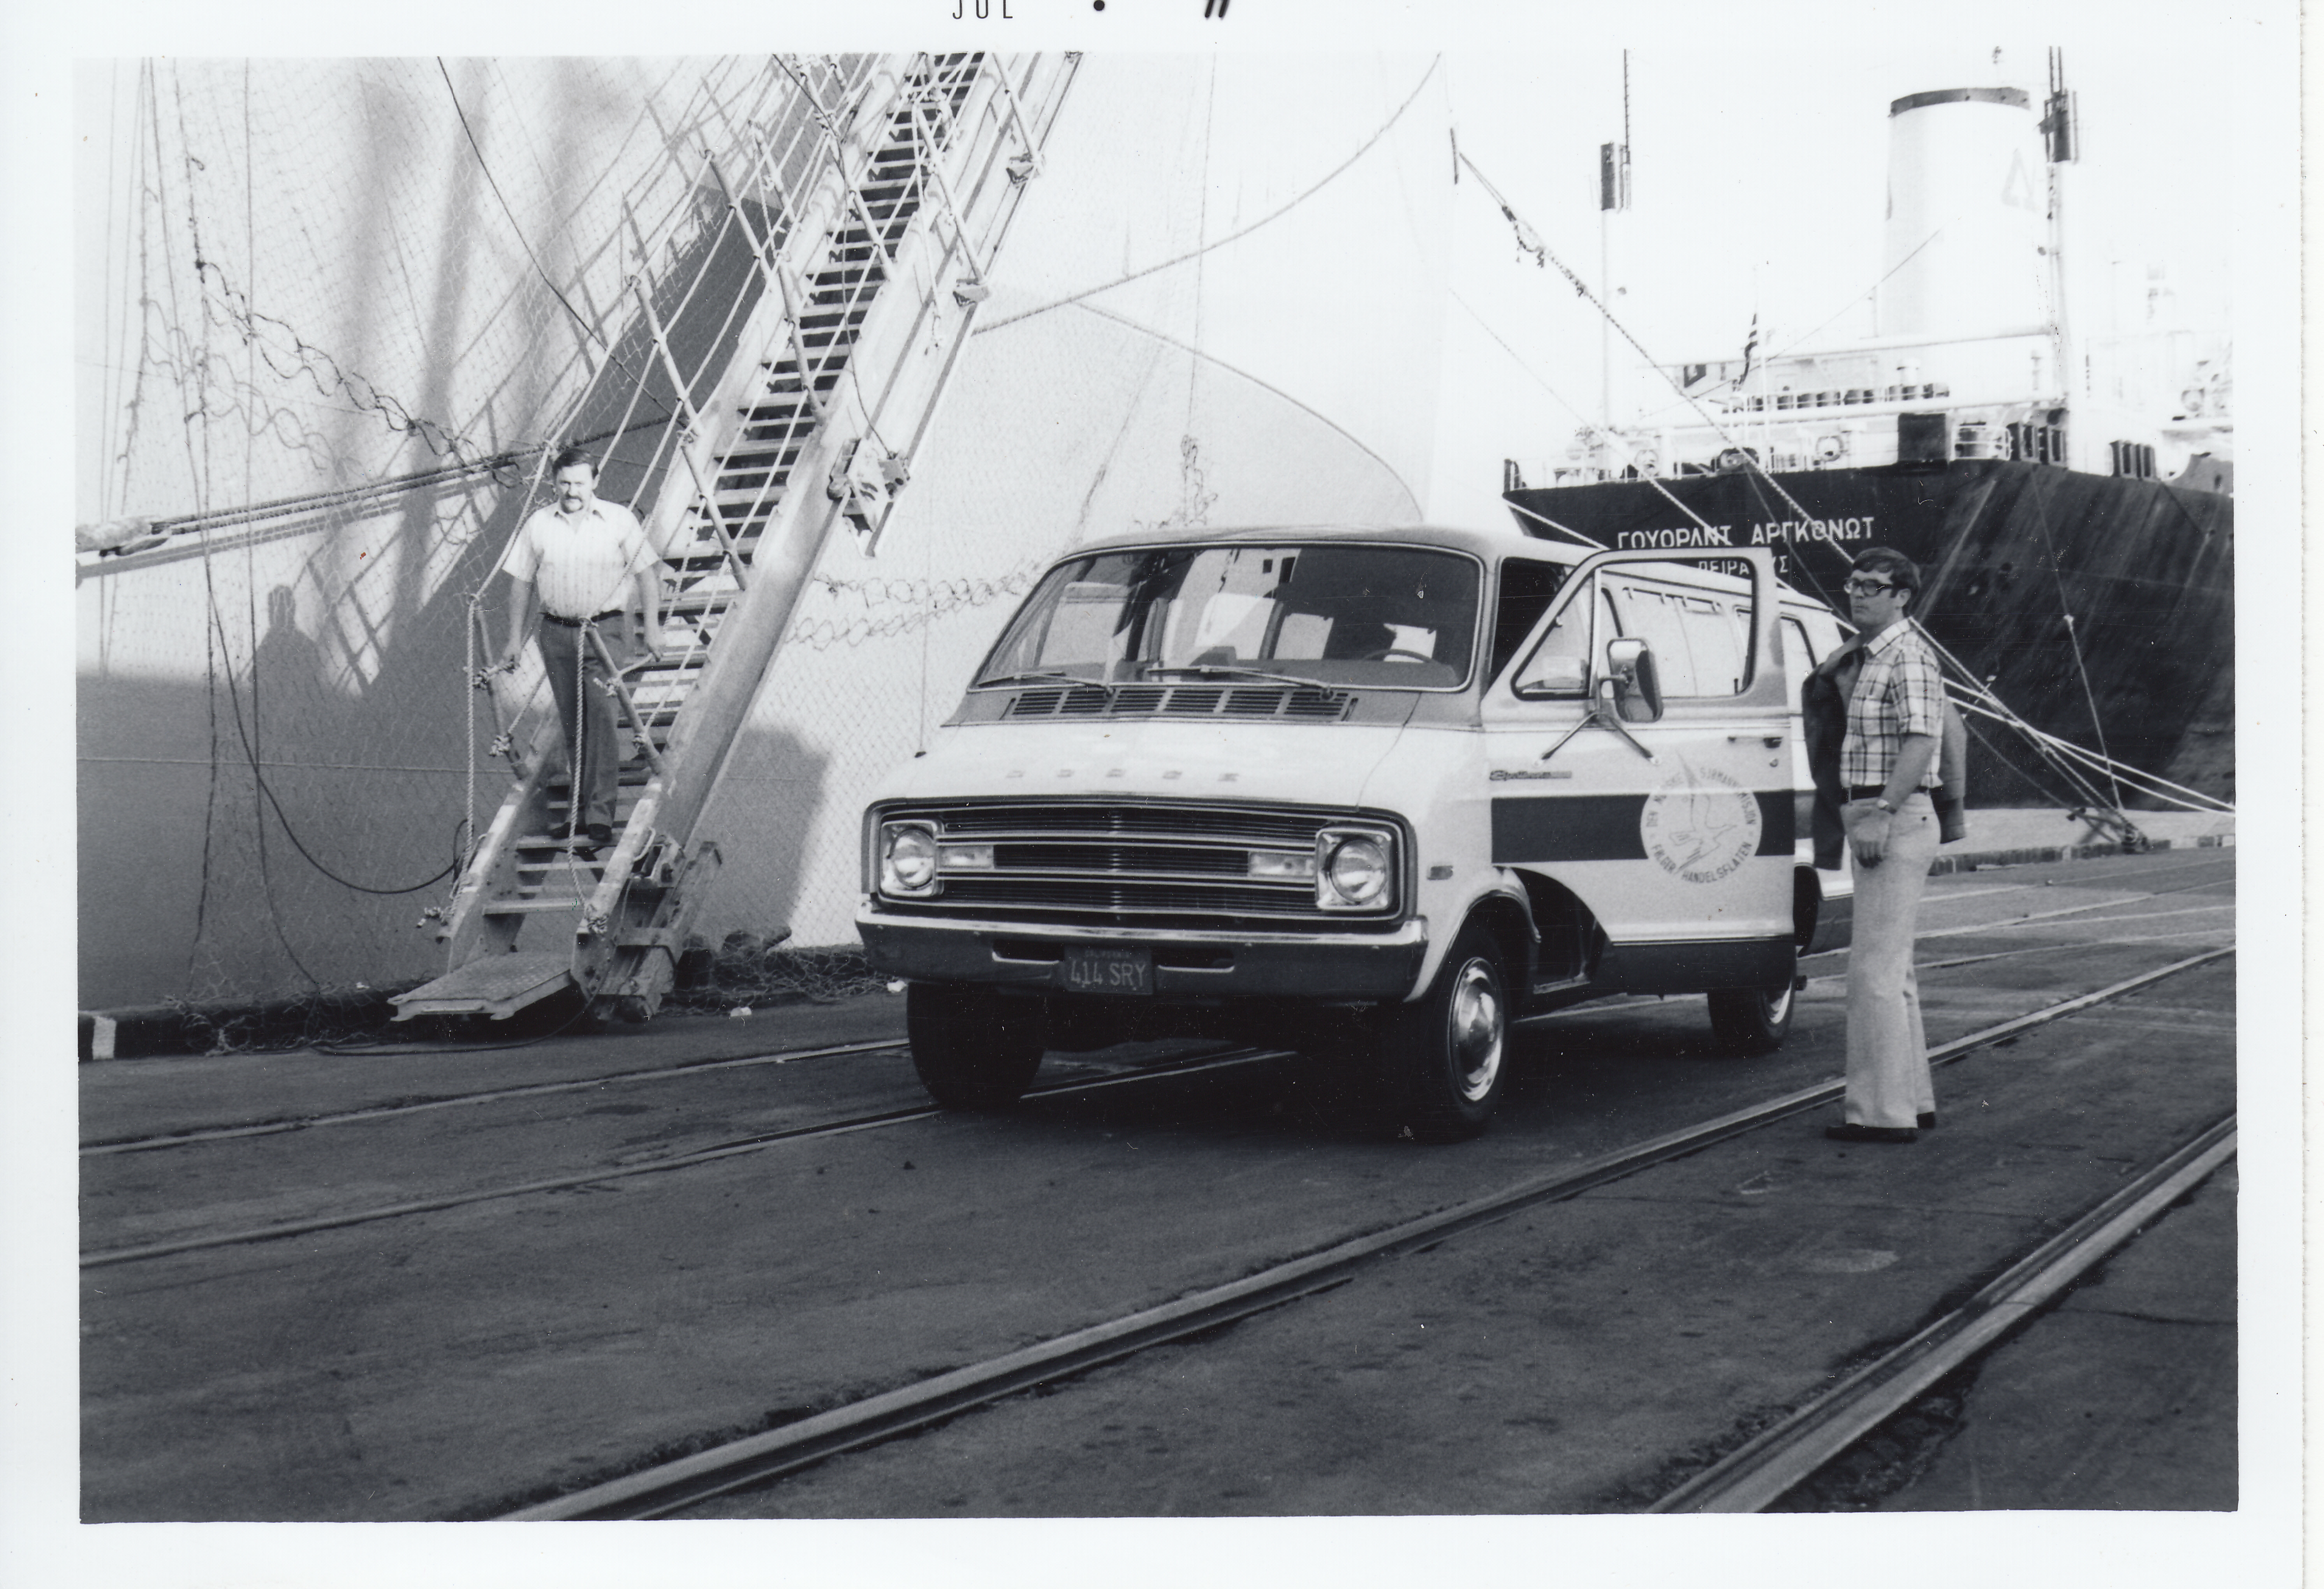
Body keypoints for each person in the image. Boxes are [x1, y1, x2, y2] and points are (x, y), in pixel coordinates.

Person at [1817, 546, 1945, 1144]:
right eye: (1853, 583)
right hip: (1879, 811)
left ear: (1902, 596)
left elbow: (1922, 743)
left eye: (1873, 585)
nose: (1858, 592)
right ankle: (1910, 1102)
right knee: (1895, 971)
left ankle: (1879, 1114)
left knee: (1872, 972)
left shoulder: (1907, 656)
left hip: (1892, 813)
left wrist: (1881, 814)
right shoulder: (1869, 657)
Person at [498, 447, 665, 854]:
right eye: (565, 483)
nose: (572, 491)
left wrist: (654, 628)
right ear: (554, 483)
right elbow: (521, 583)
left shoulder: (619, 521)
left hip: (603, 631)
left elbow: (646, 573)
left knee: (601, 720)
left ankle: (600, 815)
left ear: (596, 481)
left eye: (580, 482)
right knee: (573, 725)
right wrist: (514, 638)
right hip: (555, 633)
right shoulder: (539, 524)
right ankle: (577, 811)